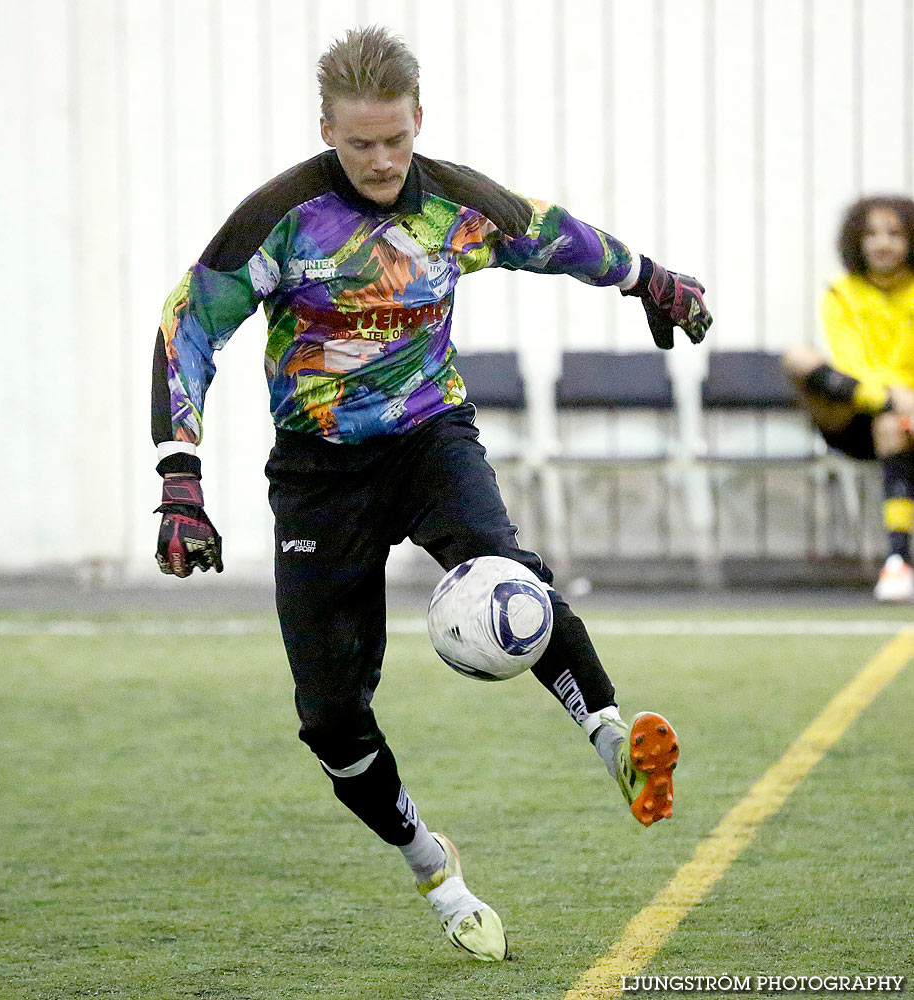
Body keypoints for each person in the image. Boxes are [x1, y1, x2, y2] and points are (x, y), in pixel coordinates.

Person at [150, 25, 711, 962]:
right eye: (359, 142)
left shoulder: (455, 203)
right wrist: (179, 477)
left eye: (395, 140)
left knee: (509, 577)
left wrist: (649, 279)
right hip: (320, 472)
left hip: (428, 437)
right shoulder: (279, 220)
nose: (379, 160)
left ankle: (613, 736)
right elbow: (187, 327)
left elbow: (553, 236)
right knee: (330, 718)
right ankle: (434, 870)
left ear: (420, 121)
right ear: (326, 128)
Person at [783, 196, 914, 602]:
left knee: (892, 428)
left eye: (894, 233)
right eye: (871, 234)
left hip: (904, 421)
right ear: (855, 241)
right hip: (856, 413)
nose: (882, 243)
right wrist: (892, 394)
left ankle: (897, 561)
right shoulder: (840, 293)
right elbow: (850, 363)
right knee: (798, 357)